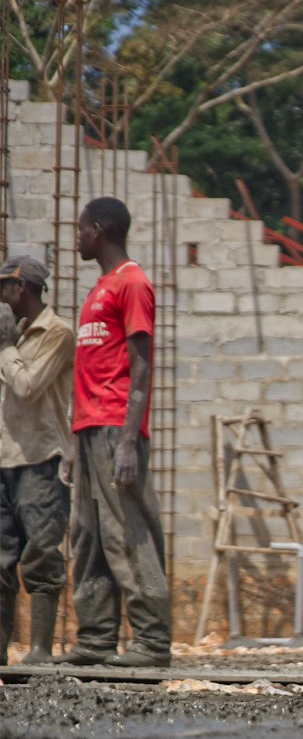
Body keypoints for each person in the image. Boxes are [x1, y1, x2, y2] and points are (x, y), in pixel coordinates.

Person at [62, 196, 172, 667]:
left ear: (100, 230)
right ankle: (96, 637)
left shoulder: (132, 283)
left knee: (128, 531)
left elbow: (142, 365)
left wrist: (129, 439)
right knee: (87, 535)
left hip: (115, 427)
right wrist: (72, 444)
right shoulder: (99, 288)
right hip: (88, 430)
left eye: (81, 229)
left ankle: (151, 640)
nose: (77, 237)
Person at [0, 256, 75, 664]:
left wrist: (7, 348)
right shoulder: (12, 334)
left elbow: (28, 387)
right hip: (5, 461)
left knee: (42, 555)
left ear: (22, 288)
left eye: (3, 287)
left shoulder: (57, 333)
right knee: (1, 559)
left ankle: (41, 650)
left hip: (40, 462)